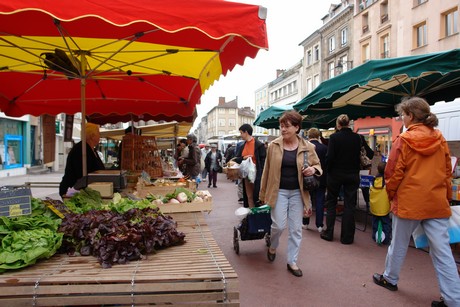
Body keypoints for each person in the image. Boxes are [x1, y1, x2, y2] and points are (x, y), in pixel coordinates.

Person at [372, 97, 460, 307]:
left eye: (403, 114)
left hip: (409, 202)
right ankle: (453, 299)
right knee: (442, 252)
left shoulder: (403, 140)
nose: (402, 117)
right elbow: (448, 171)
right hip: (435, 202)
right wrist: (444, 196)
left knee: (399, 244)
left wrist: (392, 195)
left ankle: (390, 278)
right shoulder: (439, 139)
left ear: (410, 116)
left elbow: (392, 173)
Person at [259, 110, 322, 277]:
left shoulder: (308, 147)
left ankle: (292, 261)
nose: (283, 129)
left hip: (297, 193)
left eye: (286, 126)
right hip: (278, 191)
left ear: (296, 127)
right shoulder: (274, 146)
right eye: (281, 126)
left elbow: (318, 166)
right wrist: (262, 194)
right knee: (278, 225)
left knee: (296, 229)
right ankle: (273, 245)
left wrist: (312, 169)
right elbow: (266, 171)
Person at [320, 114, 362, 244]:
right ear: (349, 123)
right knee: (350, 205)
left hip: (336, 174)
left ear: (338, 124)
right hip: (352, 174)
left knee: (331, 202)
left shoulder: (334, 137)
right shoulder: (357, 138)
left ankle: (329, 232)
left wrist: (329, 170)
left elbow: (330, 157)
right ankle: (347, 237)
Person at [59, 122, 105, 196]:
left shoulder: (92, 149)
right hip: (73, 190)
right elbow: (82, 173)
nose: (100, 136)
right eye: (98, 134)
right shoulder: (81, 149)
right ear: (92, 136)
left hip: (86, 190)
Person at [233, 124, 266, 208]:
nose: (240, 135)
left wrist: (262, 174)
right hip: (247, 175)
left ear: (246, 132)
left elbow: (264, 161)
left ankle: (258, 215)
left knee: (257, 195)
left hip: (257, 175)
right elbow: (236, 158)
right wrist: (244, 157)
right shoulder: (242, 145)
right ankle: (251, 216)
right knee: (249, 196)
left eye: (241, 133)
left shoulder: (259, 145)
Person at [302, 128, 328, 233]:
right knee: (320, 201)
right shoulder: (325, 148)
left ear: (309, 135)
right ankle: (319, 225)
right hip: (321, 178)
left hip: (308, 178)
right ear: (318, 136)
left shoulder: (305, 148)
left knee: (307, 201)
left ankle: (305, 222)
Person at [369, 161, 392, 245]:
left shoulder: (374, 181)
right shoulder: (387, 182)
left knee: (375, 222)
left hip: (375, 206)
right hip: (384, 207)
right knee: (386, 223)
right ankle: (386, 239)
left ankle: (375, 236)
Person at [360, 134, 374, 210]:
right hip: (366, 169)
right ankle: (367, 202)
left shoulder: (358, 148)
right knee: (365, 186)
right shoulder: (366, 148)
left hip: (358, 169)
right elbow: (371, 154)